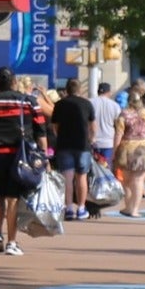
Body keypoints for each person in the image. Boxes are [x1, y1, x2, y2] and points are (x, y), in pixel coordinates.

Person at [0, 67, 48, 256]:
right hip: (18, 157)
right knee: (13, 199)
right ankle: (12, 242)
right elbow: (41, 132)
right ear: (14, 81)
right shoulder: (28, 101)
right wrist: (45, 159)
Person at [50, 78, 96, 220]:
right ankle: (81, 208)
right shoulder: (87, 104)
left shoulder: (59, 105)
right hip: (83, 145)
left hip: (64, 145)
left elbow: (55, 126)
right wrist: (91, 139)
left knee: (67, 177)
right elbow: (93, 126)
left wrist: (60, 136)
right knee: (81, 177)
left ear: (67, 90)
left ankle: (69, 208)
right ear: (80, 89)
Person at [112, 91, 145, 218]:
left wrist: (114, 151)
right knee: (138, 180)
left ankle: (128, 206)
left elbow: (118, 134)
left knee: (126, 181)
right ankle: (135, 209)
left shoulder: (123, 114)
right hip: (144, 149)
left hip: (126, 148)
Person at [89, 82, 117, 169]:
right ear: (109, 92)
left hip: (92, 141)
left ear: (98, 92)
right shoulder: (115, 105)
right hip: (108, 142)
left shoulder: (90, 102)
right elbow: (118, 125)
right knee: (106, 169)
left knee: (92, 168)